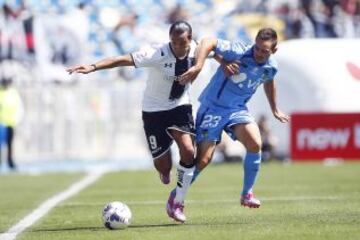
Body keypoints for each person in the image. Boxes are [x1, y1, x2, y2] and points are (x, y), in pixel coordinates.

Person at [67, 21, 200, 223]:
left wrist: (226, 63)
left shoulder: (198, 50)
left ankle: (177, 202)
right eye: (173, 42)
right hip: (153, 110)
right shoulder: (156, 54)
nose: (177, 46)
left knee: (189, 151)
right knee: (164, 166)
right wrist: (93, 66)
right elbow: (122, 60)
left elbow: (216, 50)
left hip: (180, 106)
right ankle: (164, 170)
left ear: (189, 39)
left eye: (181, 42)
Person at [176, 28, 290, 209]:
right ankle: (176, 198)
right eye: (258, 48)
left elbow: (269, 81)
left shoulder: (271, 66)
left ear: (273, 51)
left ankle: (247, 194)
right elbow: (207, 41)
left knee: (255, 143)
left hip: (237, 110)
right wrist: (200, 65)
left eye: (265, 51)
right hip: (212, 107)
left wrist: (274, 109)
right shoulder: (239, 51)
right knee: (204, 160)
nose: (259, 53)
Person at [0, 78, 24, 170]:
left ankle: (10, 161)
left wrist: (17, 119)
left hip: (10, 122)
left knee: (10, 144)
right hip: (1, 123)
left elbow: (19, 107)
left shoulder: (13, 93)